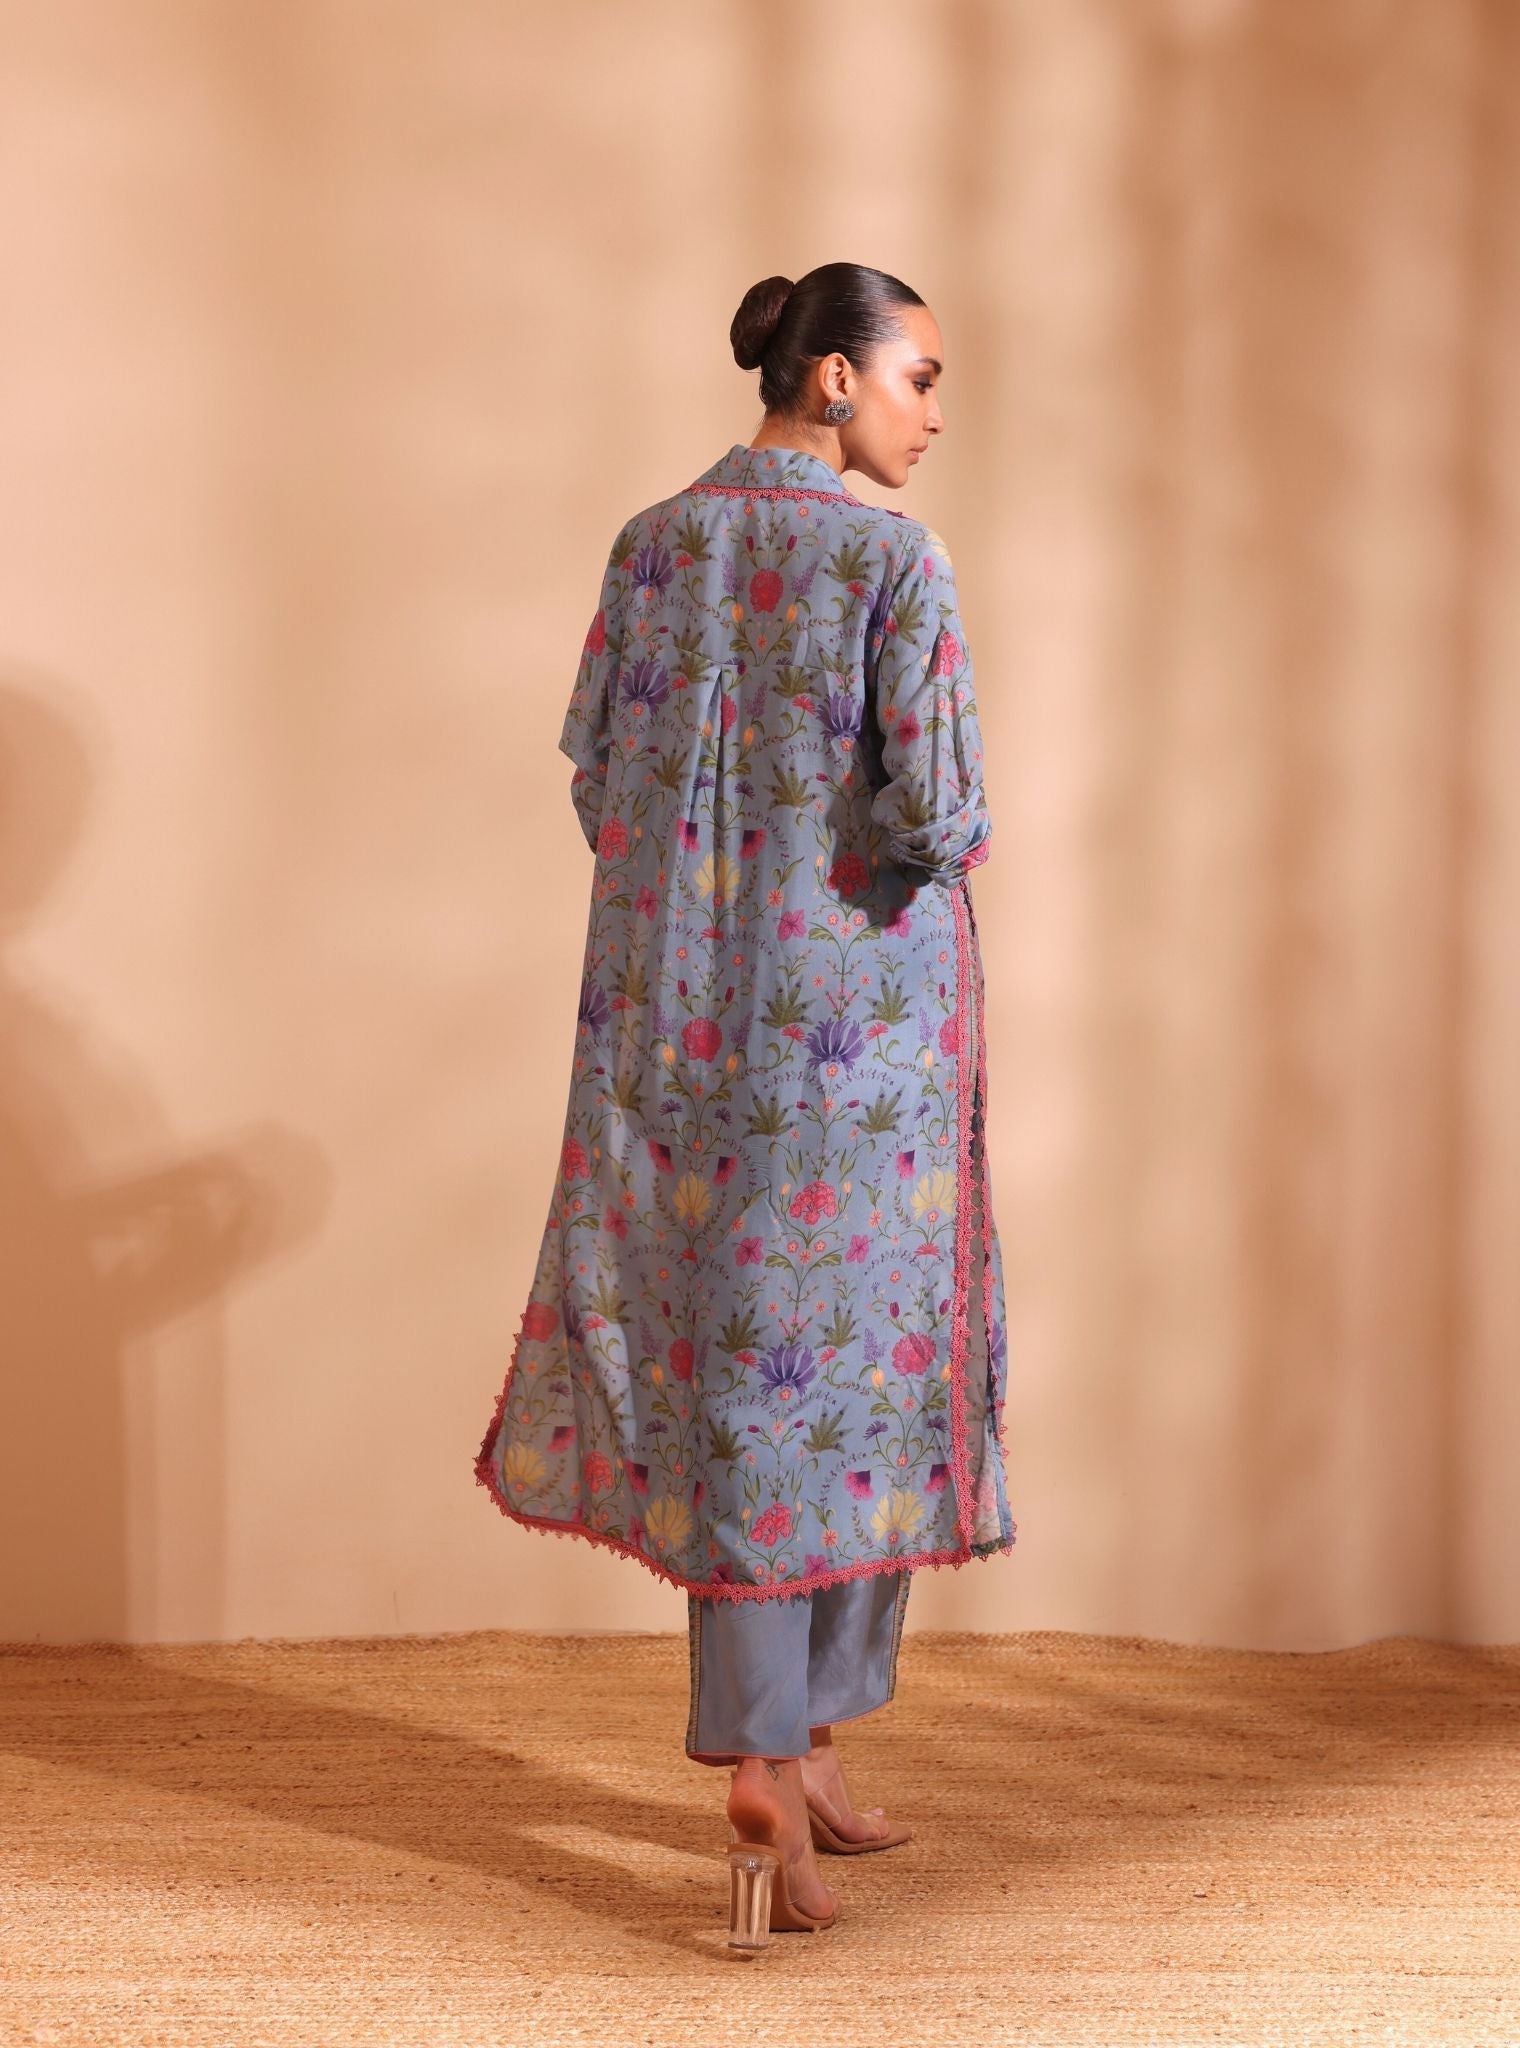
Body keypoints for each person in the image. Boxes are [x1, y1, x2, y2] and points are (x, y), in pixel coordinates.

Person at [475, 260, 1016, 1946]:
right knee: (862, 1372)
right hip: (856, 1047)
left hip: (679, 1025)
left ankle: (795, 1753)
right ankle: (787, 1753)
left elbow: (599, 776)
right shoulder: (892, 561)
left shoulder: (650, 545)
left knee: (739, 1387)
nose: (935, 414)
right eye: (921, 378)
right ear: (834, 378)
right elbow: (940, 809)